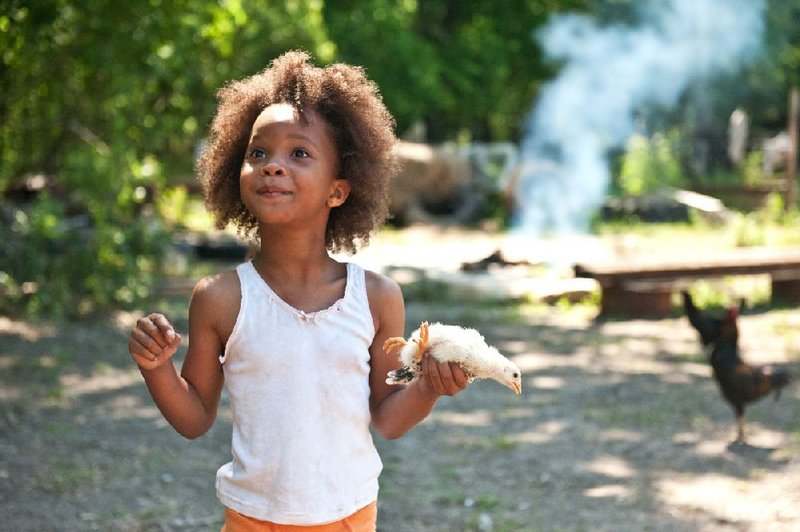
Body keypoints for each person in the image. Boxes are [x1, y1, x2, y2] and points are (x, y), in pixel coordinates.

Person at [128, 50, 469, 531]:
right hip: (252, 519)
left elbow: (389, 418)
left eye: (299, 153)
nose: (272, 165)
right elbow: (195, 417)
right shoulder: (220, 299)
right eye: (258, 153)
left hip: (349, 517)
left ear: (338, 190)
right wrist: (156, 368)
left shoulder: (376, 297)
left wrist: (429, 389)